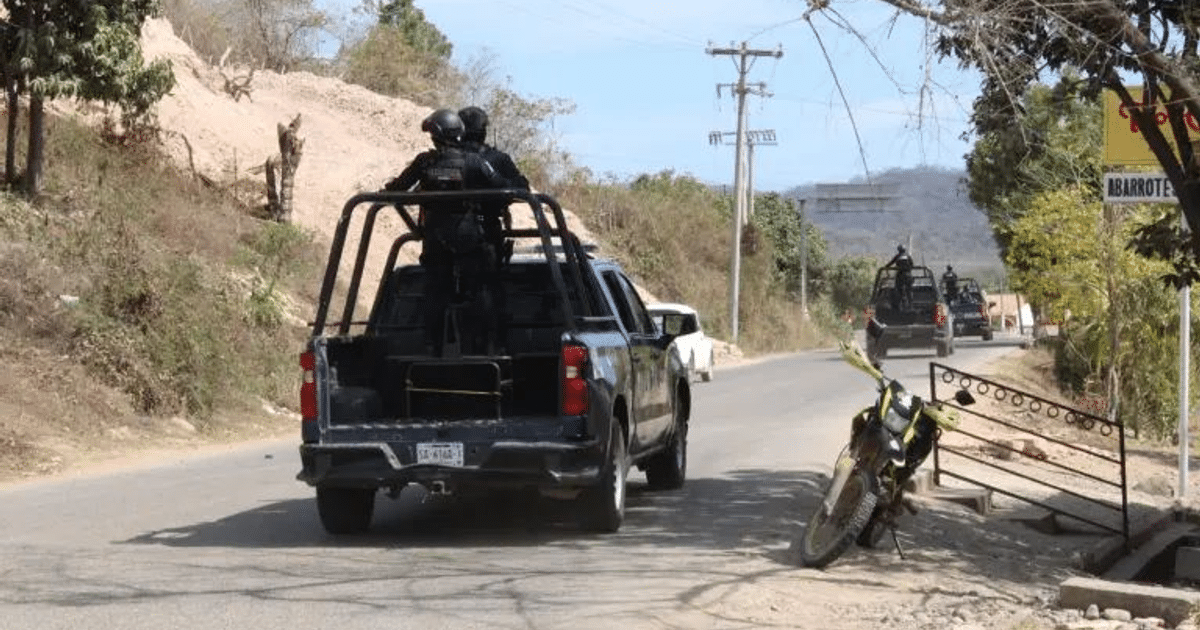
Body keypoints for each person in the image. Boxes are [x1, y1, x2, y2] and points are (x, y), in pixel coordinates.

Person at [383, 108, 517, 356]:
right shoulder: (475, 162)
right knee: (482, 288)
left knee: (435, 290)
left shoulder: (424, 162)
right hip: (470, 237)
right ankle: (487, 347)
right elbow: (507, 189)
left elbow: (394, 190)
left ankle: (431, 346)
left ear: (435, 136)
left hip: (435, 238)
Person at [886, 245, 914, 310]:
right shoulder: (908, 256)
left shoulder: (898, 256)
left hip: (900, 275)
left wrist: (886, 267)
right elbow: (912, 265)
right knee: (909, 290)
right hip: (908, 275)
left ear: (899, 250)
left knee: (899, 289)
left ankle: (900, 305)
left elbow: (890, 263)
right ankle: (910, 305)